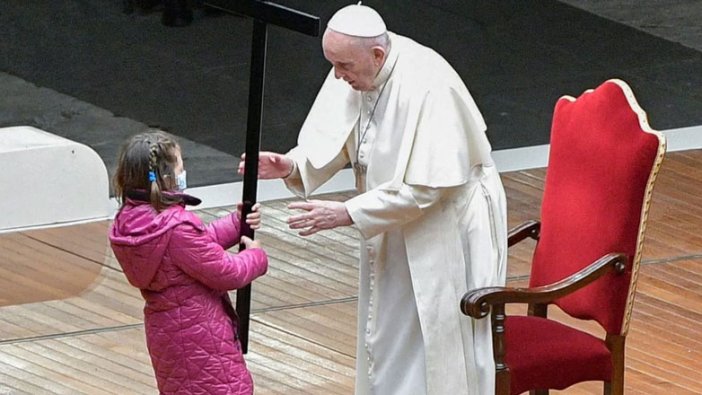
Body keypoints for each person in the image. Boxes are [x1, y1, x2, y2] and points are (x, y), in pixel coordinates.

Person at [239, 3, 507, 394]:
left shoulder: (427, 83)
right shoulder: (357, 68)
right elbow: (350, 138)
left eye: (344, 66)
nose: (337, 76)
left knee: (433, 335)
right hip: (392, 220)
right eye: (333, 64)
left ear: (377, 55)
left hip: (443, 224)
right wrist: (292, 165)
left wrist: (347, 212)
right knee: (388, 330)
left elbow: (428, 186)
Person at [110, 130, 268, 394]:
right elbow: (226, 272)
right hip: (202, 337)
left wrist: (236, 222)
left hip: (167, 335)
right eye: (181, 166)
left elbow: (195, 249)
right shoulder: (175, 228)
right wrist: (255, 256)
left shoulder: (131, 223)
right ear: (167, 176)